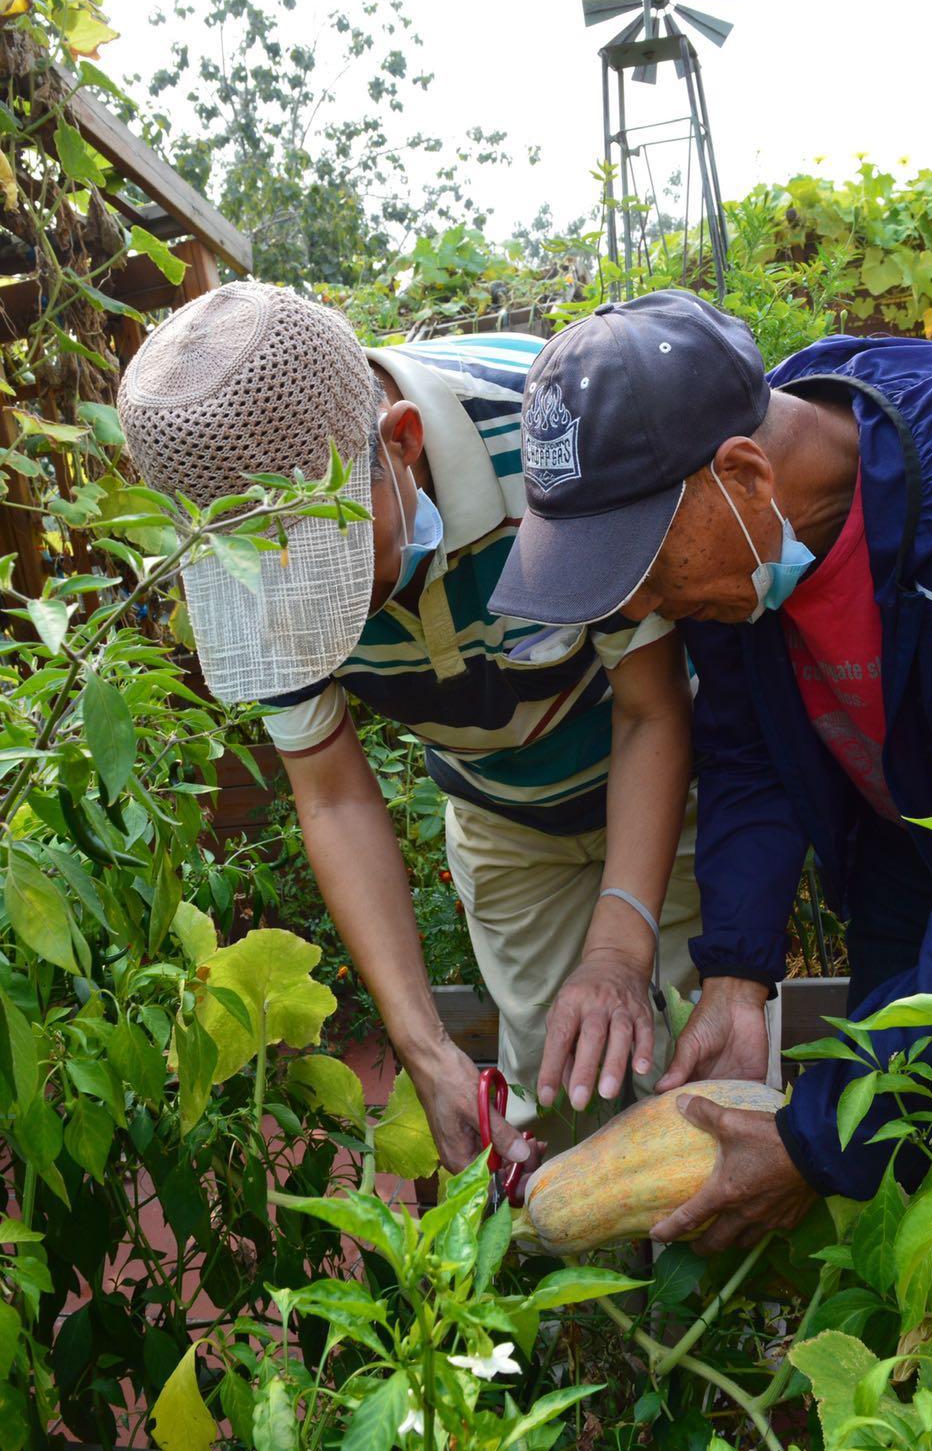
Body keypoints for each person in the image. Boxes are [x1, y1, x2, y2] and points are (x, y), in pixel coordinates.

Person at [489, 286, 932, 1246]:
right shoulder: (744, 560)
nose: (638, 601)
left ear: (743, 472)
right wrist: (739, 974)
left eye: (643, 565)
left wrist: (807, 1147)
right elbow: (746, 755)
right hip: (902, 848)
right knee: (906, 1168)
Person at [117, 280, 706, 1171]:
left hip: (666, 783)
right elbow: (335, 797)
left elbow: (653, 706)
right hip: (503, 821)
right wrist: (424, 1049)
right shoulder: (246, 565)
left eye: (336, 567)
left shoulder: (548, 428)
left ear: (402, 443)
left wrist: (622, 947)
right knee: (549, 1103)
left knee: (690, 1074)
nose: (316, 613)